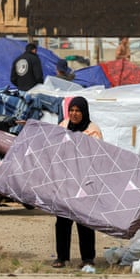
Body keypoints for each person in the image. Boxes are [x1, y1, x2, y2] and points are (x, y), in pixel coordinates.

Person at [52, 96, 103, 269]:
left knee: (84, 221)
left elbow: (95, 155)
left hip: (84, 181)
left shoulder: (92, 130)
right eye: (72, 110)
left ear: (84, 112)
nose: (74, 114)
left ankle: (88, 258)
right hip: (65, 182)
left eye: (78, 111)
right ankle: (61, 257)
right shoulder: (63, 126)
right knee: (62, 221)